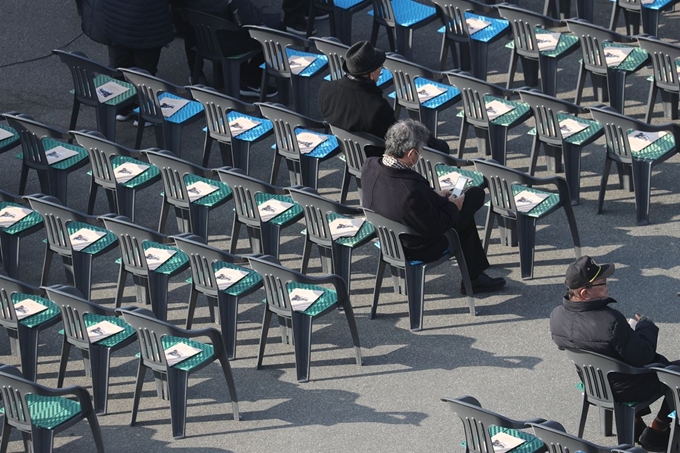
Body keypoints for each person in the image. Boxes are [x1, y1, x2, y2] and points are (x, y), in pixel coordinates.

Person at [360, 119, 506, 293]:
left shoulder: (369, 165)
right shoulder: (410, 188)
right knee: (473, 197)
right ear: (411, 153)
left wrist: (434, 196)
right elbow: (438, 225)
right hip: (417, 247)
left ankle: (475, 276)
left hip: (388, 239)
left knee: (464, 211)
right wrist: (454, 207)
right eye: (420, 151)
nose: (421, 154)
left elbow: (402, 199)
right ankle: (474, 278)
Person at [550, 256, 676, 452]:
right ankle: (658, 429)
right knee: (676, 372)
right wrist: (646, 325)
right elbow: (643, 355)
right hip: (626, 387)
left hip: (594, 383)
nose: (608, 285)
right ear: (584, 293)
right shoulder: (610, 321)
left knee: (615, 359)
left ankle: (633, 421)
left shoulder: (556, 316)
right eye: (603, 283)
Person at [318, 41, 450, 157]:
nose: (381, 70)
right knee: (440, 148)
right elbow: (397, 140)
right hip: (378, 160)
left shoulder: (326, 89)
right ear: (371, 74)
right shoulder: (377, 107)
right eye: (379, 67)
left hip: (349, 153)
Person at [170, 0, 280, 97]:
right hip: (228, 43)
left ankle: (199, 76)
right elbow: (251, 22)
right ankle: (251, 81)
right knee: (277, 28)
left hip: (199, 38)